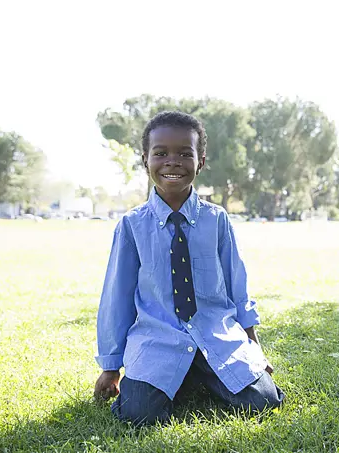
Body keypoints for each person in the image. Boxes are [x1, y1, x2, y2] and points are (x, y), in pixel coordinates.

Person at [93, 111, 284, 426]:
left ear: (201, 161)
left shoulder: (217, 220)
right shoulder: (132, 225)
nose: (172, 161)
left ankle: (198, 375)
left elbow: (237, 286)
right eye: (161, 153)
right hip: (157, 341)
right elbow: (117, 298)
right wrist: (111, 367)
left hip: (217, 336)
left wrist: (254, 351)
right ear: (146, 160)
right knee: (138, 415)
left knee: (263, 400)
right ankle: (176, 377)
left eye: (185, 153)